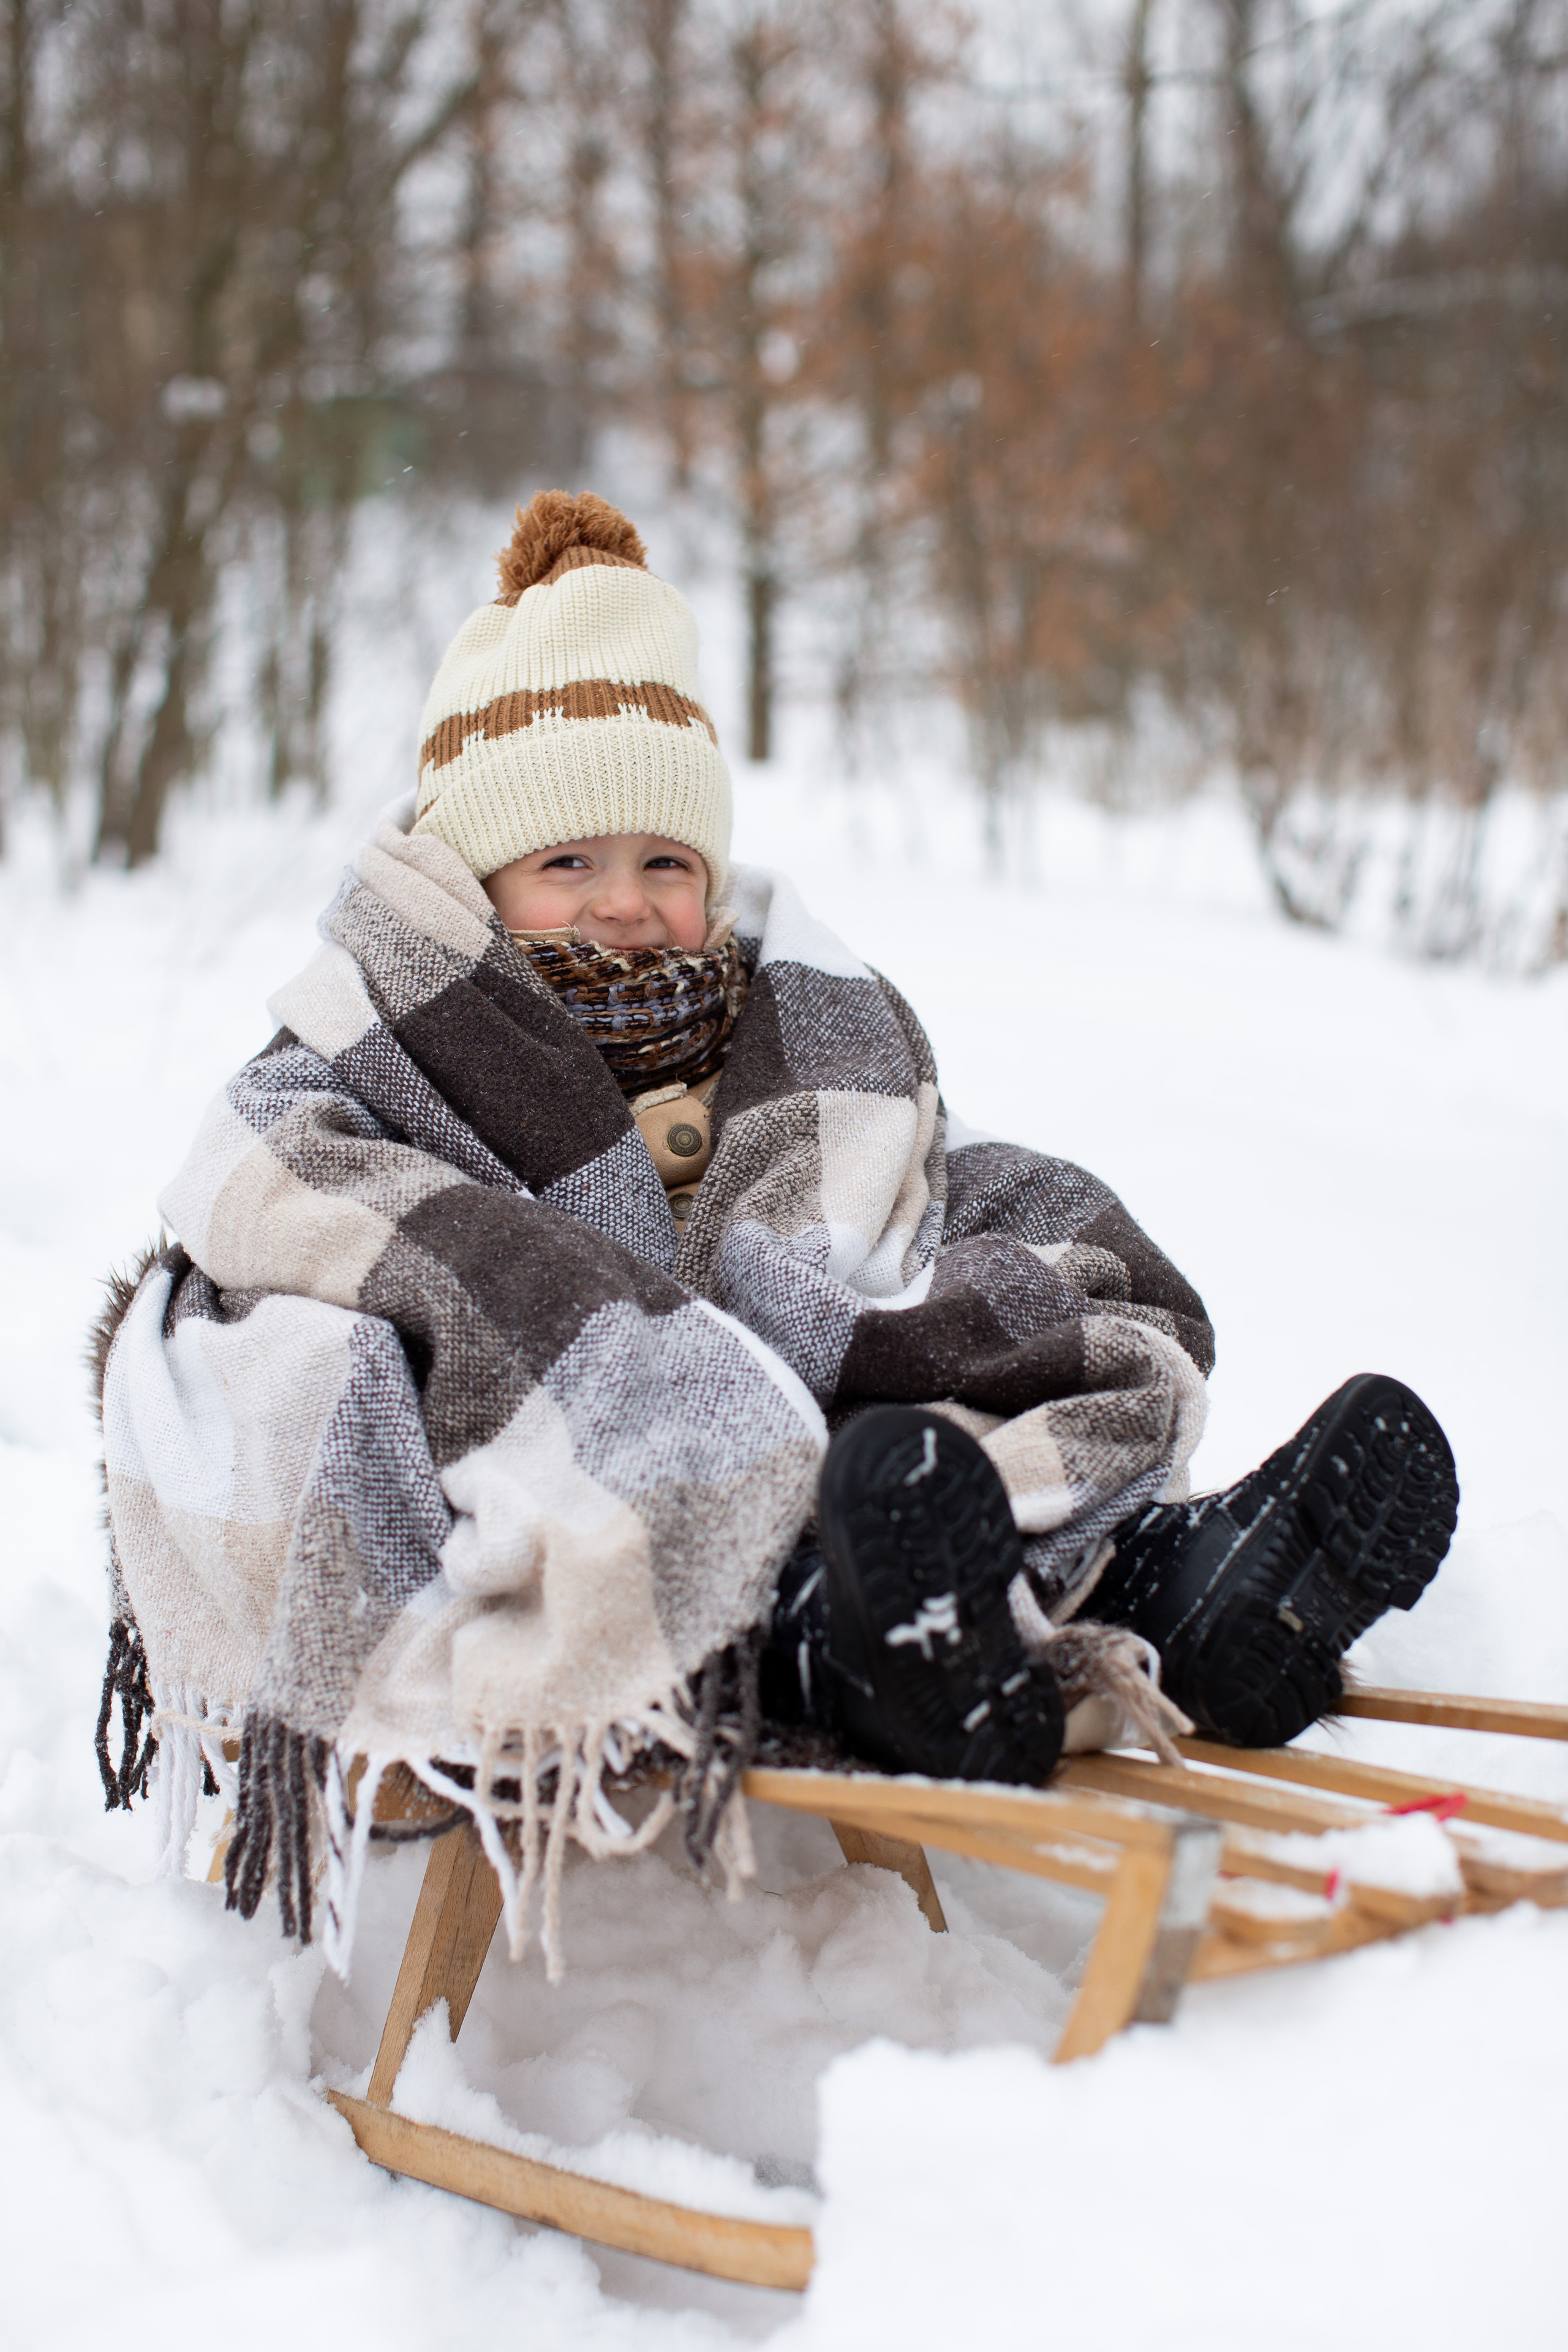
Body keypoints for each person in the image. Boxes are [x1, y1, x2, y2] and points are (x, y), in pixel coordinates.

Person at [96, 491, 1458, 1964]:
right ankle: (824, 1629)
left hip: (829, 1414)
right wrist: (626, 1322)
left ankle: (1146, 1581)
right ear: (474, 888)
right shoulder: (381, 1037)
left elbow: (881, 1184)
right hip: (542, 1433)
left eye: (665, 864)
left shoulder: (776, 1020)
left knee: (1021, 1225)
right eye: (567, 864)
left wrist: (852, 1274)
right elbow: (280, 1181)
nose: (627, 905)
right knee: (537, 1343)